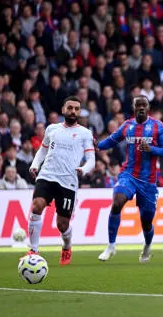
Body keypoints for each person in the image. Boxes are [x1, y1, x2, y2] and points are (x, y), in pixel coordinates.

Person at [96, 96, 163, 263]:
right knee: (117, 202)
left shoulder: (158, 126)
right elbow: (112, 140)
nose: (141, 108)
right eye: (138, 105)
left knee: (146, 221)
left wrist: (152, 149)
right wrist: (97, 145)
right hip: (128, 175)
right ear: (134, 107)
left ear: (148, 107)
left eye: (144, 105)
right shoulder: (127, 125)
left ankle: (147, 245)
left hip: (148, 182)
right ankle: (111, 246)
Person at [25, 96, 96, 265]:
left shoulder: (85, 133)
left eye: (76, 109)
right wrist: (35, 165)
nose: (73, 111)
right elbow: (43, 150)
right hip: (47, 175)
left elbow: (91, 159)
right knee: (36, 206)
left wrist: (83, 169)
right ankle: (33, 250)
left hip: (68, 182)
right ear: (63, 109)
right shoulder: (52, 129)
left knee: (62, 224)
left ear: (79, 112)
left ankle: (67, 246)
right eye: (70, 108)